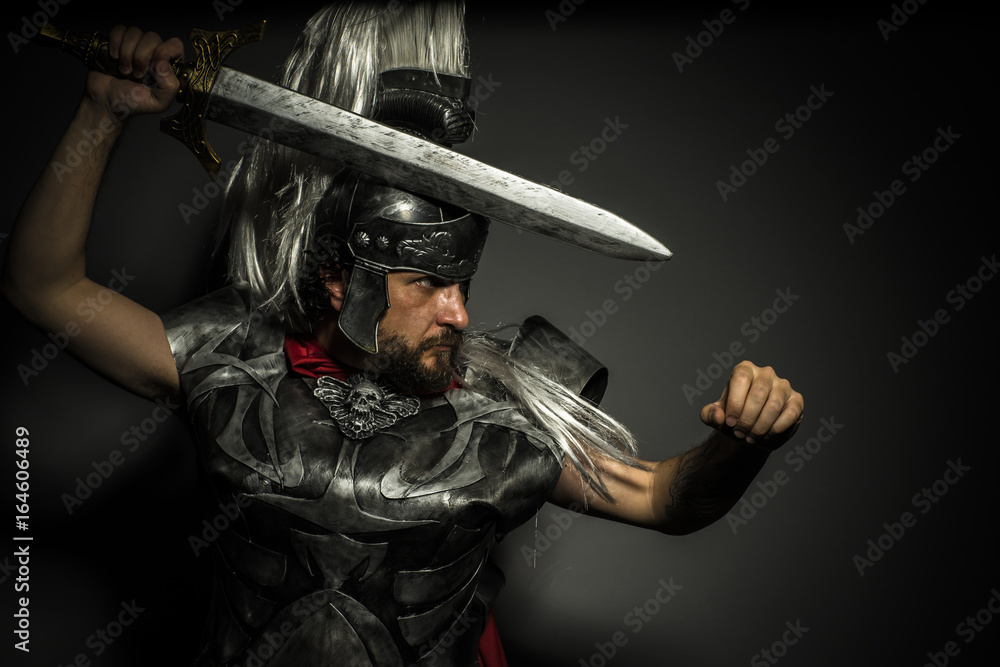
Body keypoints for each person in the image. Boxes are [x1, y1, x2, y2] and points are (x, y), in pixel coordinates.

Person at [2, 3, 803, 666]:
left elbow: (665, 498)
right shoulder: (230, 359)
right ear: (340, 280)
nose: (458, 313)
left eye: (464, 285)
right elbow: (43, 287)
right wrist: (100, 113)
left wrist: (741, 445)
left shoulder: (506, 403)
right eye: (428, 285)